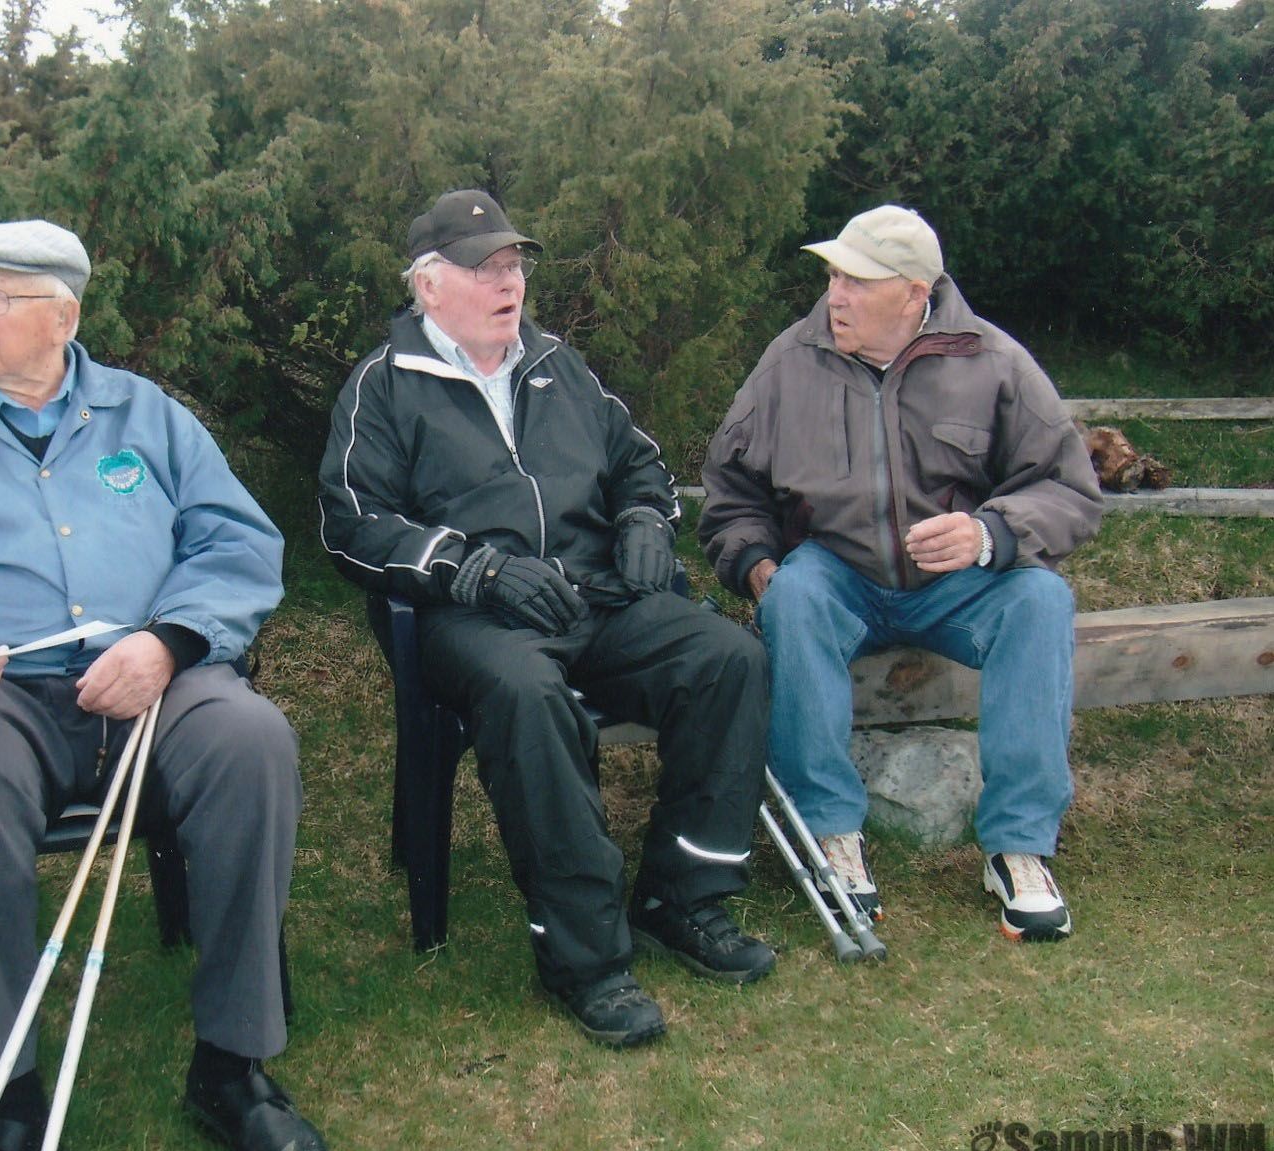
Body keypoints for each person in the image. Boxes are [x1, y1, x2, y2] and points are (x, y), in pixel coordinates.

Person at [0, 220, 335, 1151]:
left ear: (65, 315)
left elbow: (238, 546)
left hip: (159, 680)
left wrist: (168, 642)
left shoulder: (150, 419)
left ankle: (231, 1064)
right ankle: (6, 1091)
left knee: (254, 742)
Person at [317, 190, 775, 1048]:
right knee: (529, 696)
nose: (509, 280)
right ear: (428, 286)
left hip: (595, 596)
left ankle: (687, 897)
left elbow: (639, 463)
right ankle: (586, 960)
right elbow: (352, 524)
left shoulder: (560, 366)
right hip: (474, 618)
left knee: (728, 658)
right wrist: (474, 568)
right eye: (484, 266)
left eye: (515, 264)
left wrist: (644, 521)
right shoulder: (383, 387)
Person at [699, 204, 1103, 943]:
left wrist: (992, 533)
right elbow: (731, 490)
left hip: (956, 585)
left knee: (1042, 600)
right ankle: (829, 834)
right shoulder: (789, 363)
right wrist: (756, 564)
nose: (836, 296)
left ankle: (1019, 846)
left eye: (858, 280)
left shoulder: (995, 363)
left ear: (916, 292)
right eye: (833, 277)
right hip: (838, 574)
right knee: (794, 592)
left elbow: (1069, 489)